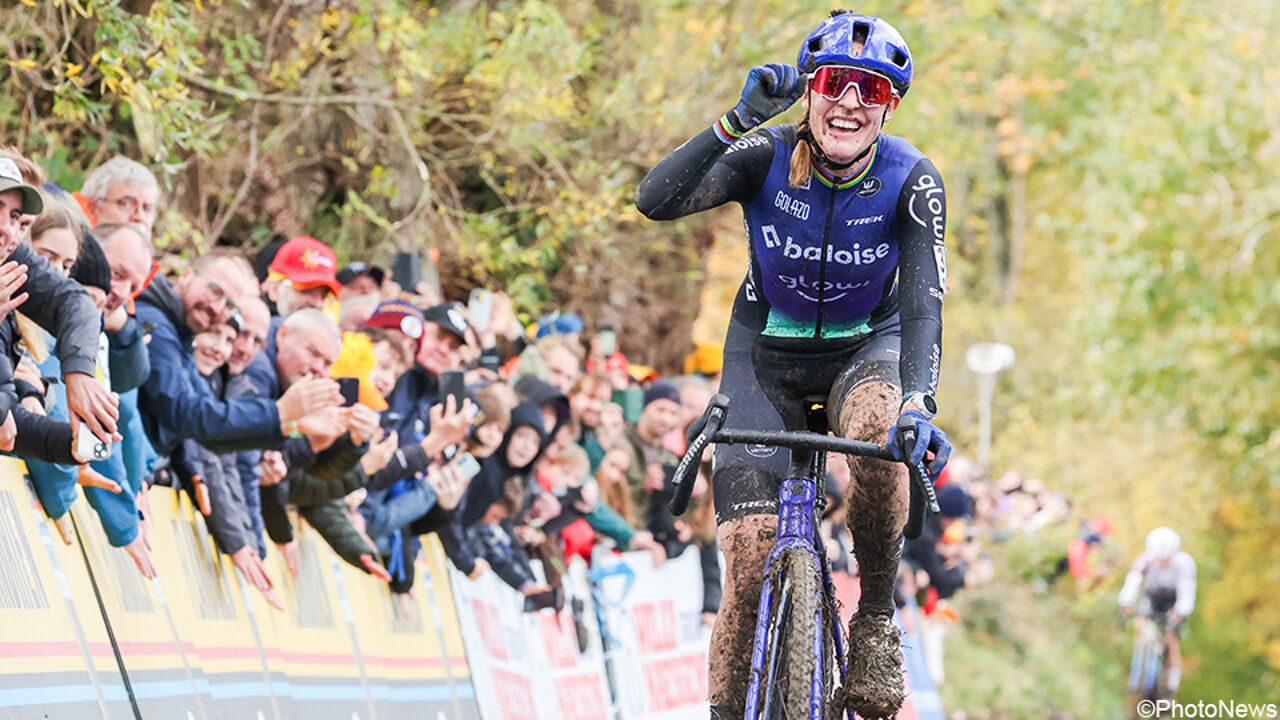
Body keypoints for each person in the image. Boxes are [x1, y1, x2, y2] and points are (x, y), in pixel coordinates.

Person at [636, 11, 951, 718]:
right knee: (748, 562)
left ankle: (872, 619)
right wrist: (736, 121)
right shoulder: (765, 155)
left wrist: (918, 405)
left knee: (879, 429)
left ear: (889, 106)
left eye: (871, 90)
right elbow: (654, 202)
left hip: (866, 350)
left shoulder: (911, 177)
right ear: (810, 90)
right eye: (837, 82)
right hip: (763, 358)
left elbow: (927, 302)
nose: (850, 101)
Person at [1119, 527, 1196, 694]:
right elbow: (1133, 582)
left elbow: (1187, 591)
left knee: (1171, 636)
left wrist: (1180, 612)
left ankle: (1172, 677)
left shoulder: (1184, 564)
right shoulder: (1144, 560)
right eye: (1159, 559)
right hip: (1153, 596)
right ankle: (1138, 672)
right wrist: (1126, 602)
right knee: (1141, 624)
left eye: (1166, 559)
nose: (1162, 563)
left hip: (1174, 600)